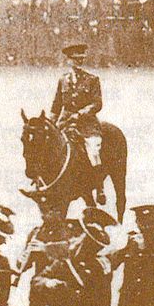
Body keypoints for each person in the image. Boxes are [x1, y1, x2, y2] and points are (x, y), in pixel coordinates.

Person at [33, 207, 116, 306]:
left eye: (94, 242)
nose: (82, 243)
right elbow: (37, 281)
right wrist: (49, 283)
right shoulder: (64, 262)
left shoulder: (101, 267)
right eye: (85, 238)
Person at [50, 43, 106, 205]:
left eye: (80, 59)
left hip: (86, 124)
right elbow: (56, 105)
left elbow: (97, 103)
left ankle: (99, 186)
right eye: (74, 60)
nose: (78, 63)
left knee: (93, 149)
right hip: (65, 121)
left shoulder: (92, 80)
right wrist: (51, 122)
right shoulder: (63, 80)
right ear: (68, 61)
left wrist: (81, 113)